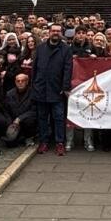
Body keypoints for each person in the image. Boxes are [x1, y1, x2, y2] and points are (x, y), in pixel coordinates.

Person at [32, 23, 72, 156]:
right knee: (42, 117)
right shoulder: (40, 48)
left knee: (59, 117)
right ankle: (44, 142)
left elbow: (68, 69)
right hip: (41, 88)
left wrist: (65, 86)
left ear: (61, 33)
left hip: (57, 89)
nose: (55, 33)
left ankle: (59, 142)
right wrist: (34, 84)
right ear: (49, 32)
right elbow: (35, 68)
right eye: (53, 31)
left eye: (58, 31)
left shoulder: (66, 49)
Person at [1, 71, 36, 147]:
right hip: (13, 122)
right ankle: (16, 138)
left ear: (27, 82)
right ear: (15, 82)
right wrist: (10, 122)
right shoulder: (9, 94)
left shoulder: (33, 93)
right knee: (10, 144)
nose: (20, 83)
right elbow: (5, 110)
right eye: (18, 81)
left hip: (26, 121)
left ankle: (29, 137)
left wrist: (20, 118)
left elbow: (34, 110)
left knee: (30, 121)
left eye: (23, 81)